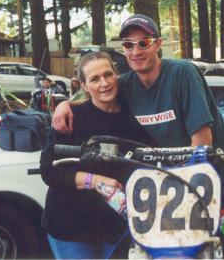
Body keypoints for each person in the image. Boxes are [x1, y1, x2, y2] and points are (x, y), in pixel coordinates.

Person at [53, 14, 224, 258]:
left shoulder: (182, 74)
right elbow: (94, 92)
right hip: (182, 192)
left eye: (144, 43)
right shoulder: (127, 85)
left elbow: (202, 142)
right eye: (129, 45)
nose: (136, 51)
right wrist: (65, 104)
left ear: (158, 44)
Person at [40, 51, 154, 259]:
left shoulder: (133, 118)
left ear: (116, 75)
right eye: (94, 79)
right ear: (84, 86)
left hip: (118, 228)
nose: (104, 83)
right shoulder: (72, 118)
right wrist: (95, 181)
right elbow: (49, 170)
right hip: (70, 228)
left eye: (108, 75)